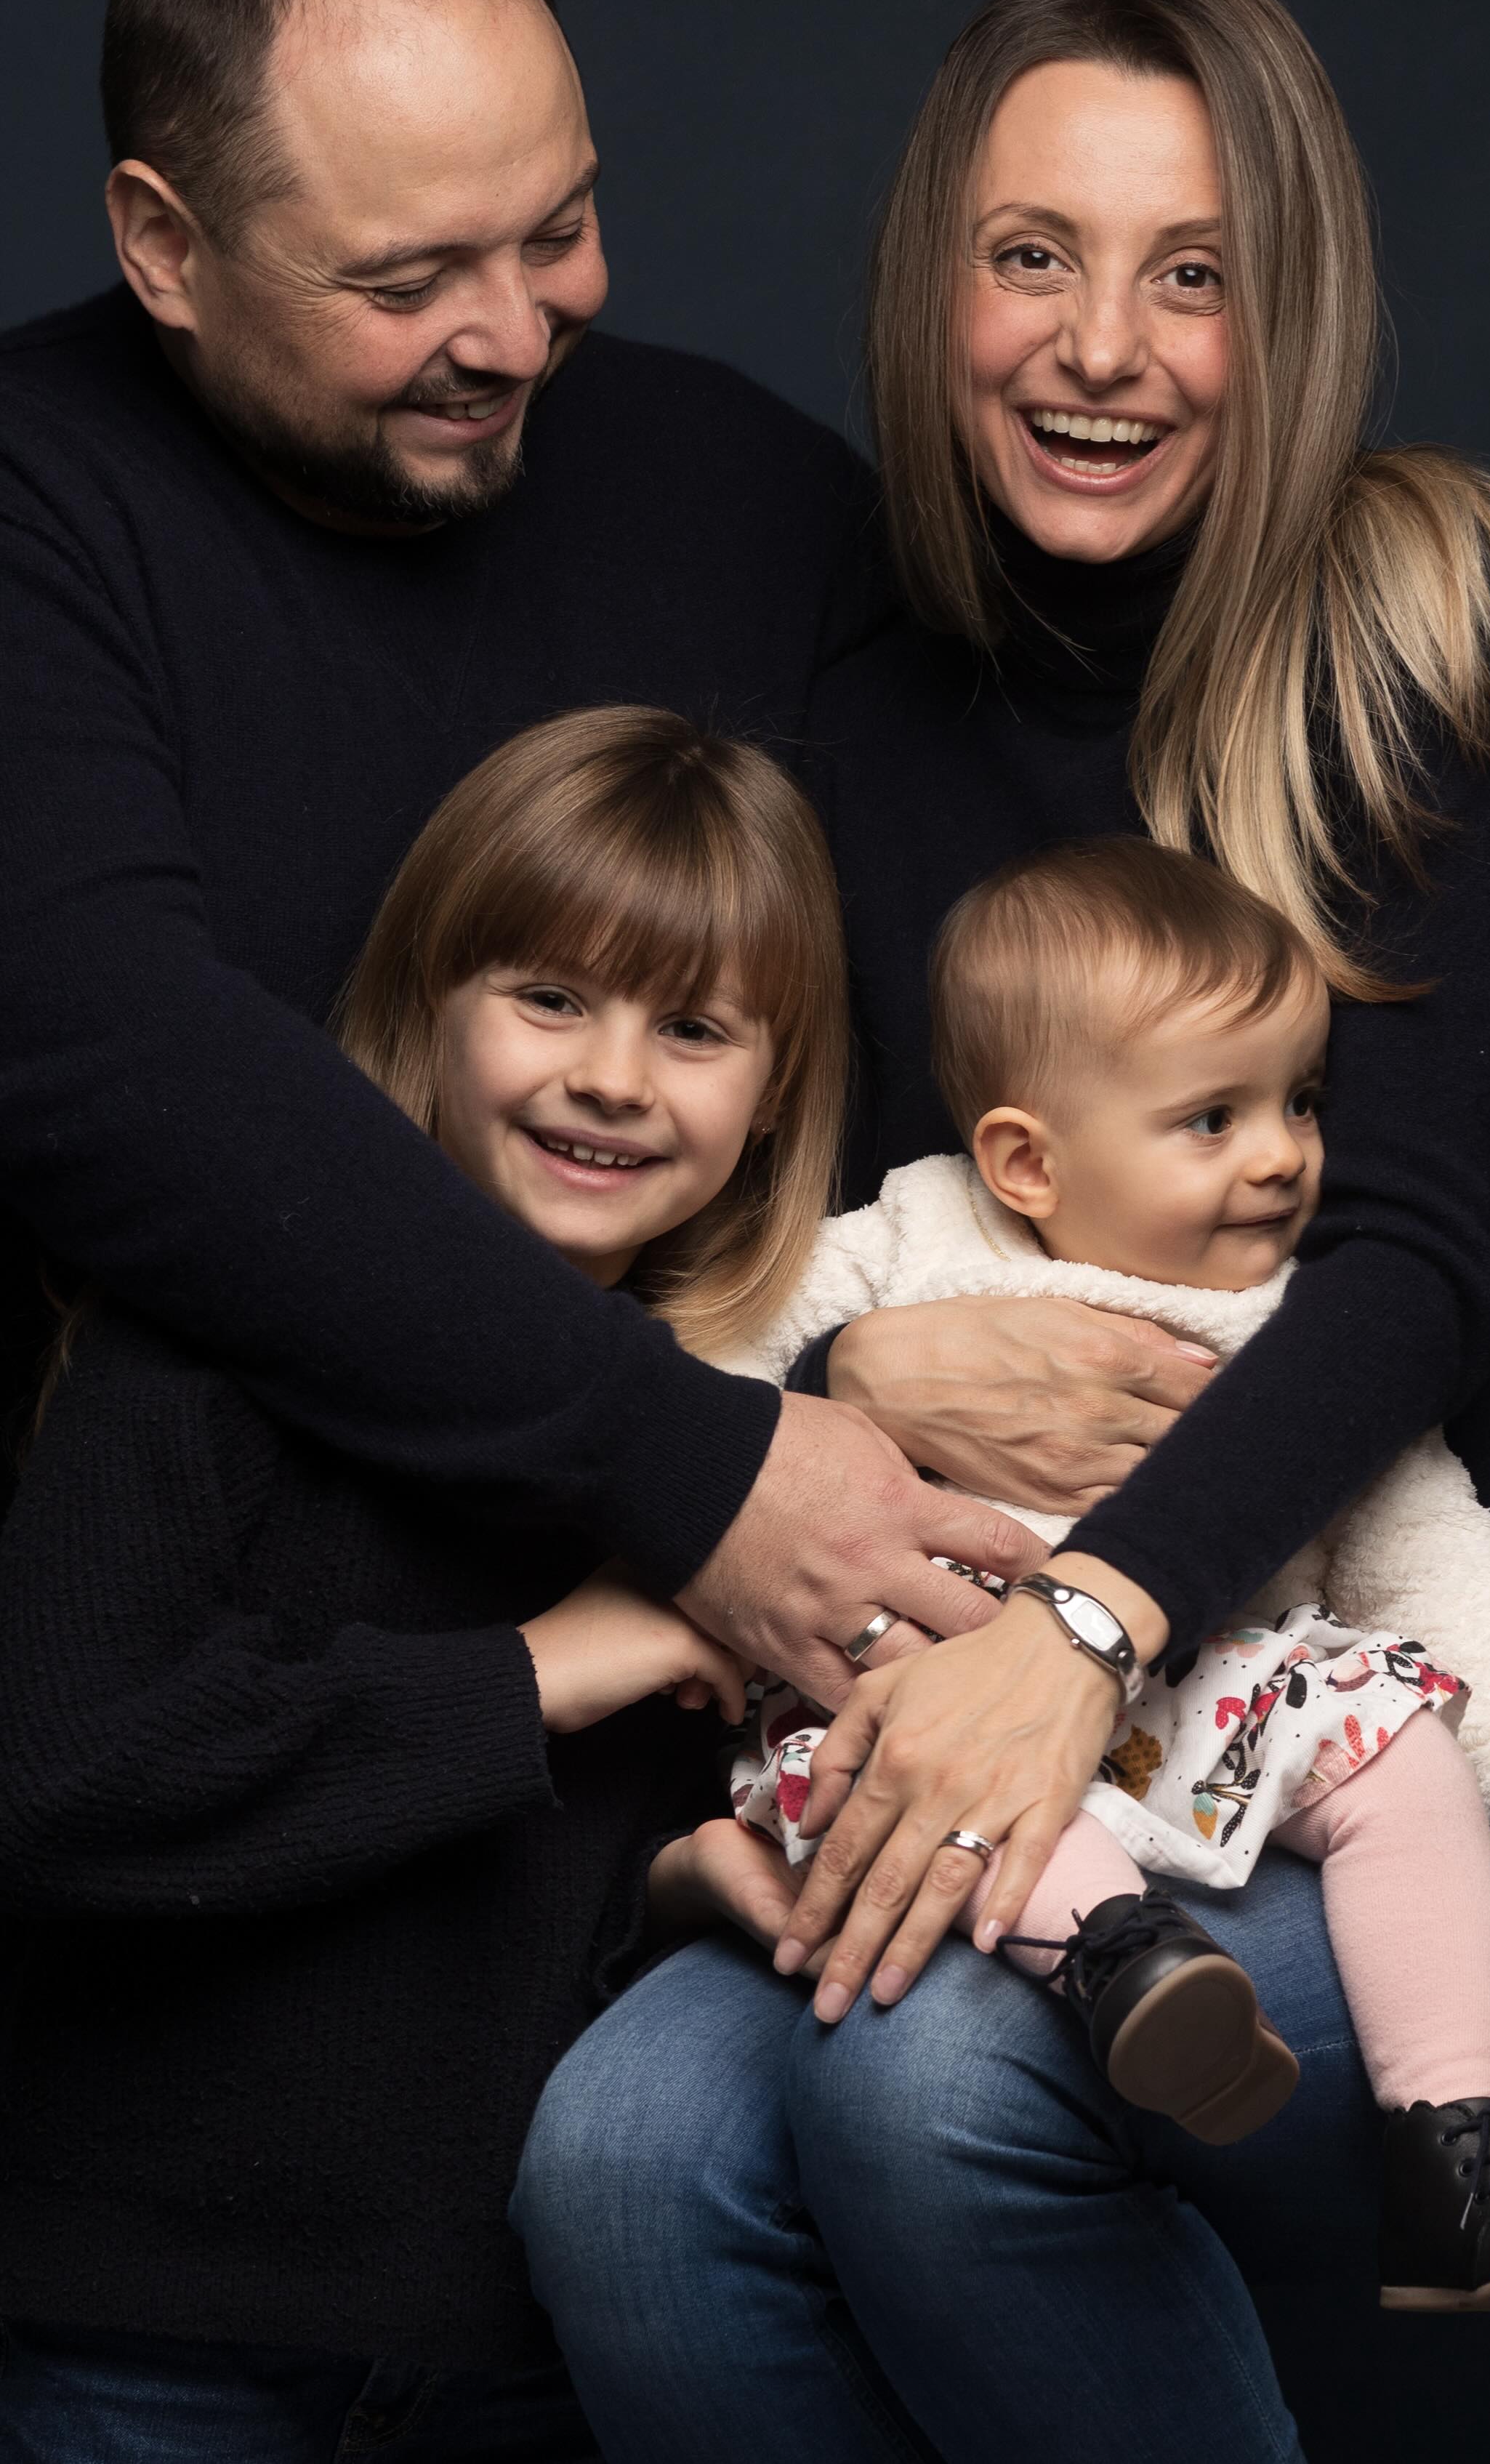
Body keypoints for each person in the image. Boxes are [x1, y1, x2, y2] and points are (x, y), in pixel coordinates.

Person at [517, 0, 1490, 2463]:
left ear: (1278, 310)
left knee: (931, 2097)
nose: (1103, 345)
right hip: (982, 1706)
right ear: (939, 285)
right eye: (1035, 256)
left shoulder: (1423, 632)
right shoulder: (849, 709)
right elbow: (819, 1248)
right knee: (616, 2162)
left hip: (1377, 1701)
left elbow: (1416, 1262)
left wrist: (1087, 1615)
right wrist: (866, 1379)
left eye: (1190, 273)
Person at [1, 0, 1165, 1736]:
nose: (521, 330)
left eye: (557, 229)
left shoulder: (743, 498)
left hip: (711, 1770)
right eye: (407, 278)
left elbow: (960, 1026)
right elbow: (124, 1079)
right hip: (226, 1723)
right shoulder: (43, 512)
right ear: (166, 246)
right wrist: (700, 1463)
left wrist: (853, 1355)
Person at [0, 706, 862, 2457]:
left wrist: (685, 1894)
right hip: (152, 2327)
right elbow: (62, 1788)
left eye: (692, 1029)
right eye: (548, 998)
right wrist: (547, 1664)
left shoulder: (758, 1464)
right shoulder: (201, 1348)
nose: (613, 1076)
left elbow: (516, 1941)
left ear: (773, 1107)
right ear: (427, 1008)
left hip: (514, 2358)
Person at [722, 835, 1490, 2304]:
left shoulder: (1294, 1323)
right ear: (1025, 1159)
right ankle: (1128, 1967)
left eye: (1298, 1101)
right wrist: (832, 1374)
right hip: (939, 1705)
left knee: (1400, 1742)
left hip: (1203, 1704)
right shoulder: (908, 1241)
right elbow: (705, 1392)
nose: (1285, 1153)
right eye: (1212, 1118)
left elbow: (1434, 1558)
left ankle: (1455, 2144)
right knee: (905, 1746)